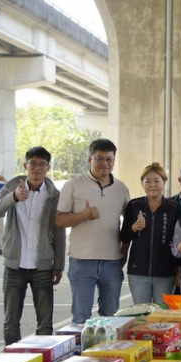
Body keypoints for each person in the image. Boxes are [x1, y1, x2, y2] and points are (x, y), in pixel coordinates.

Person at [0, 147, 66, 345]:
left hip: (42, 267)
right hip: (14, 266)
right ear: (26, 165)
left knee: (45, 323)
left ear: (48, 167)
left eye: (42, 164)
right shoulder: (14, 186)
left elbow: (58, 231)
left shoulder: (54, 195)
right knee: (11, 322)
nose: (37, 168)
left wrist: (58, 265)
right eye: (33, 163)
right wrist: (14, 196)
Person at [55, 139, 131, 324]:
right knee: (81, 318)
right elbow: (59, 220)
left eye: (109, 159)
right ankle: (84, 353)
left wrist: (124, 250)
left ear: (114, 161)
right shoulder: (73, 185)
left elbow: (128, 224)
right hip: (82, 262)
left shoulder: (121, 188)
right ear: (90, 159)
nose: (104, 163)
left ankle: (109, 354)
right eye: (99, 158)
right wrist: (83, 215)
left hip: (112, 262)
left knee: (111, 317)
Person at [119, 163, 181, 307]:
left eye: (156, 181)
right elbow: (123, 237)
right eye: (147, 181)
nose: (152, 185)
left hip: (166, 272)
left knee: (162, 315)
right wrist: (134, 227)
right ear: (142, 184)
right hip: (138, 271)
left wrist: (180, 269)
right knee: (142, 313)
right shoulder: (134, 206)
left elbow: (180, 242)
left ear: (164, 183)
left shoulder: (174, 208)